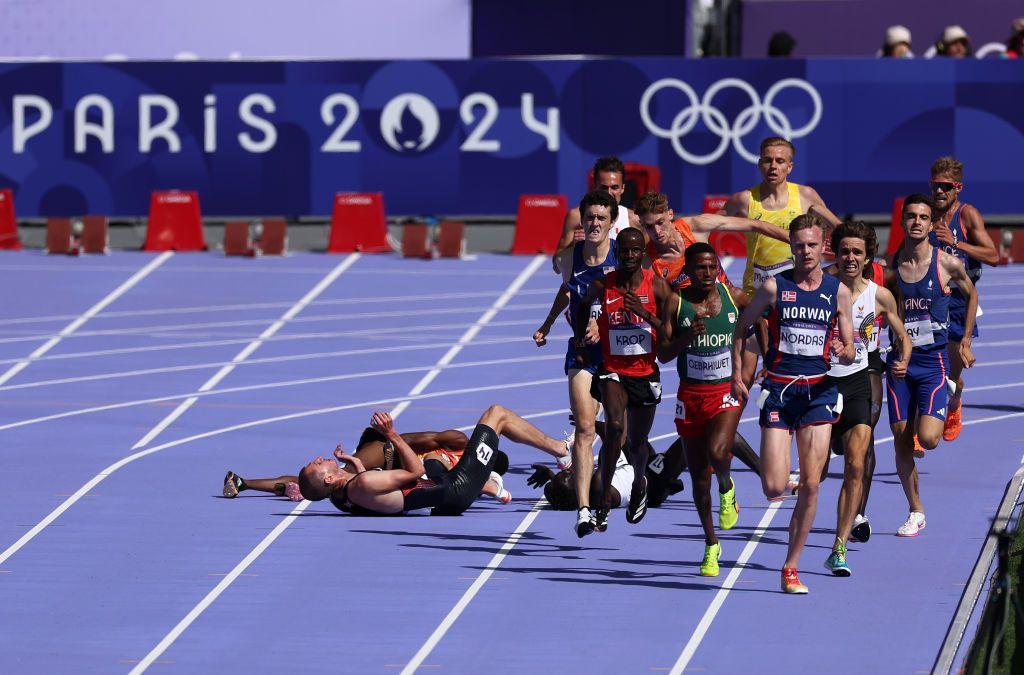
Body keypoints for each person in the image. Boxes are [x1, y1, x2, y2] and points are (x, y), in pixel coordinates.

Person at [730, 213, 855, 594]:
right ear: (792, 247)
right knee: (772, 486)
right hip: (781, 395)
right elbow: (741, 327)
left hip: (819, 393)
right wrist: (739, 373)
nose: (805, 252)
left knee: (814, 486)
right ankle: (792, 481)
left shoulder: (838, 292)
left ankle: (790, 567)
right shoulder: (773, 287)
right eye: (799, 245)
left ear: (823, 247)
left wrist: (843, 349)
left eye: (812, 245)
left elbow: (850, 349)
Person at [821, 222, 911, 576]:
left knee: (857, 461)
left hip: (861, 376)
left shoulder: (880, 294)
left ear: (868, 256)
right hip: (822, 382)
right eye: (844, 251)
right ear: (836, 253)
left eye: (857, 252)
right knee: (814, 476)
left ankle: (840, 545)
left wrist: (902, 357)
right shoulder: (822, 288)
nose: (850, 258)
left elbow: (902, 333)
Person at [886, 194, 978, 537]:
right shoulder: (891, 267)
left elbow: (972, 296)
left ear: (930, 223)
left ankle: (952, 398)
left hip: (933, 361)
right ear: (903, 221)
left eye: (923, 217)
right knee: (901, 440)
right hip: (899, 363)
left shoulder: (947, 264)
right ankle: (916, 510)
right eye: (911, 216)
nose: (917, 222)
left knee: (929, 438)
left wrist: (965, 340)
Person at [658, 243, 751, 577]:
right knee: (698, 481)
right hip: (691, 395)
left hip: (724, 391)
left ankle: (726, 485)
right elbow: (664, 354)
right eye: (700, 268)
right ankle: (711, 544)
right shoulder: (676, 302)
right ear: (688, 270)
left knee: (717, 451)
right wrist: (686, 337)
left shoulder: (733, 296)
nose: (708, 274)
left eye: (712, 268)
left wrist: (762, 359)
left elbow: (761, 317)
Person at [720, 137, 842, 391]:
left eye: (780, 161)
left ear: (790, 166)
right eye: (767, 160)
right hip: (755, 296)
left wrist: (832, 245)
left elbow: (840, 229)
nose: (773, 166)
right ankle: (729, 427)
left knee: (788, 370)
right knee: (743, 376)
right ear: (759, 164)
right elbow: (710, 223)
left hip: (795, 298)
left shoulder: (805, 196)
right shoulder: (745, 200)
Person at [574, 227, 673, 532]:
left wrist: (645, 314)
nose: (629, 256)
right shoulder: (604, 286)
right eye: (624, 251)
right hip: (612, 369)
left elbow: (669, 335)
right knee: (615, 426)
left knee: (638, 443)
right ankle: (603, 501)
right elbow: (577, 302)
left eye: (635, 251)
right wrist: (580, 338)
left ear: (643, 254)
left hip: (645, 373)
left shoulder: (657, 287)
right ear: (617, 254)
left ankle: (640, 484)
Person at [300, 406, 566, 516]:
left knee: (487, 427)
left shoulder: (342, 497)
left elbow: (365, 489)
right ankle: (559, 450)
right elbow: (415, 472)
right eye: (317, 464)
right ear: (328, 478)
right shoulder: (363, 484)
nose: (319, 458)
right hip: (458, 485)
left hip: (446, 496)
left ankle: (489, 481)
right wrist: (391, 434)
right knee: (496, 415)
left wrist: (351, 464)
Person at [534, 190, 617, 537]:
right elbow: (566, 290)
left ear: (611, 223)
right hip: (583, 353)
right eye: (590, 217)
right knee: (584, 428)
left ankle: (603, 503)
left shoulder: (625, 258)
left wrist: (606, 320)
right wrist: (548, 323)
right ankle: (583, 510)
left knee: (618, 431)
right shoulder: (569, 258)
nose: (595, 223)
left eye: (601, 217)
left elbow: (640, 298)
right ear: (582, 221)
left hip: (618, 354)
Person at [222, 426, 518, 504]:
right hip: (388, 453)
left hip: (386, 456)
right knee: (327, 480)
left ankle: (244, 482)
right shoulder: (458, 442)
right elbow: (431, 438)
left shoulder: (457, 446)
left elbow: (433, 438)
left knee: (318, 481)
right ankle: (246, 483)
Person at [927, 157, 997, 442]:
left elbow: (993, 255)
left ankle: (954, 401)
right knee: (928, 367)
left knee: (951, 374)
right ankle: (924, 424)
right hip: (930, 300)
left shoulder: (967, 215)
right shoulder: (925, 214)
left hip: (960, 302)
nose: (939, 192)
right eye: (935, 186)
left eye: (946, 186)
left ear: (958, 188)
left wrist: (955, 243)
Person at [553, 156, 640, 270]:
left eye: (614, 187)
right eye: (604, 187)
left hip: (617, 286)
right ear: (595, 186)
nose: (609, 193)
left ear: (623, 188)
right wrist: (573, 246)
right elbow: (556, 267)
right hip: (585, 285)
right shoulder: (576, 216)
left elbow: (647, 260)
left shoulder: (633, 219)